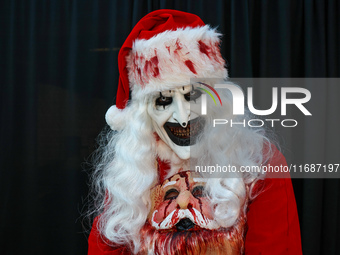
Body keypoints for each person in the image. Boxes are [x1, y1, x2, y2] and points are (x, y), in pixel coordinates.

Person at [88, 9, 302, 254]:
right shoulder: (130, 171)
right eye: (163, 101)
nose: (182, 117)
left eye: (192, 96)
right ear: (144, 113)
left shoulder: (258, 161)